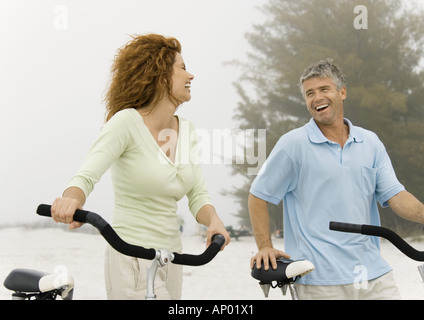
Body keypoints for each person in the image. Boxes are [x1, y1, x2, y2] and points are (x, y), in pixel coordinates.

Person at [51, 34, 230, 300]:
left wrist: (213, 220)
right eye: (182, 68)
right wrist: (70, 200)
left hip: (173, 259)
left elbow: (197, 195)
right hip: (130, 258)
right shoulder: (126, 123)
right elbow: (86, 176)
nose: (190, 75)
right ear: (159, 74)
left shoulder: (188, 130)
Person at [248, 59, 424, 300]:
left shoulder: (370, 142)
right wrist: (265, 246)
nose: (316, 97)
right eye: (310, 93)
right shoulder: (293, 144)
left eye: (324, 89)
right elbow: (258, 195)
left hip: (373, 273)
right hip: (320, 280)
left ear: (342, 92)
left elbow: (396, 196)